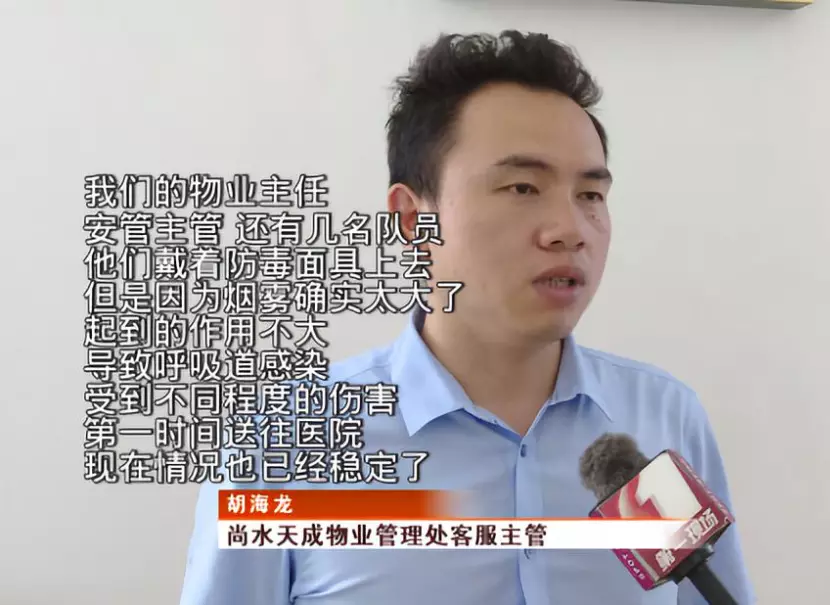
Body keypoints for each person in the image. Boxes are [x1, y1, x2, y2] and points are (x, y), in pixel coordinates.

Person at [179, 30, 755, 605]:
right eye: (523, 187)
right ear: (412, 219)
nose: (570, 230)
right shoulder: (282, 441)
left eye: (590, 195)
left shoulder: (663, 417)